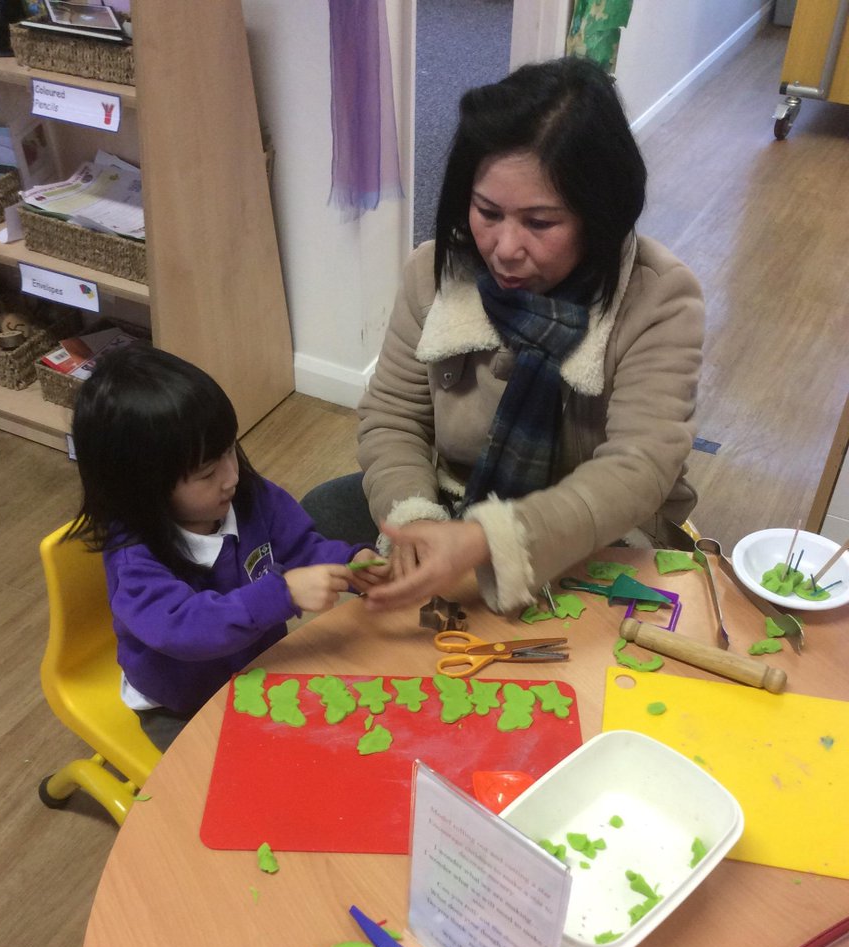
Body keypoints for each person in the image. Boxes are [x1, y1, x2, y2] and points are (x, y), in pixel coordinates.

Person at [302, 57, 704, 615]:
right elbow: (393, 416)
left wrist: (487, 540)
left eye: (541, 223)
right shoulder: (433, 271)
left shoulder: (658, 297)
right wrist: (418, 521)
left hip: (600, 531)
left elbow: (640, 468)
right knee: (325, 512)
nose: (505, 247)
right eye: (488, 211)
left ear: (600, 214)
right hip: (455, 501)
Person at [68, 343, 385, 750]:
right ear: (143, 487)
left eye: (230, 451)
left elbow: (300, 547)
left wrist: (349, 561)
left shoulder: (249, 496)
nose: (231, 476)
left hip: (255, 668)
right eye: (207, 472)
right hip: (179, 702)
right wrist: (283, 592)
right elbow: (186, 630)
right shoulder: (135, 557)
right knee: (220, 789)